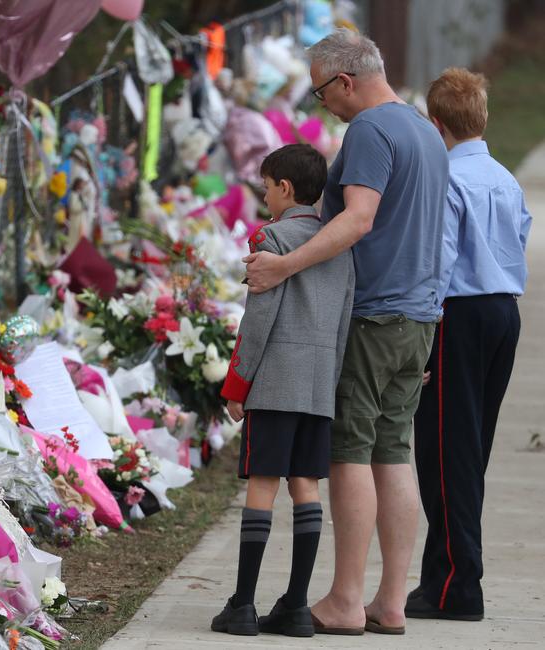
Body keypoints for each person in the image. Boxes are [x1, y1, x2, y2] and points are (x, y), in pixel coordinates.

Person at [243, 28, 449, 635]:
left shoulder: (369, 132)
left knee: (351, 453)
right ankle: (390, 600)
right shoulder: (423, 131)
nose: (322, 105)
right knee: (395, 452)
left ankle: (345, 599)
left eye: (320, 93)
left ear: (345, 81)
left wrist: (283, 265)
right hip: (417, 317)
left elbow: (358, 220)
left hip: (373, 313)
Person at [211, 143, 354, 637]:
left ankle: (243, 604)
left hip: (273, 384)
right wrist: (329, 384)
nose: (264, 196)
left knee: (263, 485)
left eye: (267, 187)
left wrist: (237, 384)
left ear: (285, 189)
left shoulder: (271, 238)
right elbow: (342, 325)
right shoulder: (339, 244)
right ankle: (295, 604)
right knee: (305, 487)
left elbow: (258, 320)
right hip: (317, 386)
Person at [406, 67, 531, 621]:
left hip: (455, 315)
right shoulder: (504, 177)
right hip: (504, 311)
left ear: (436, 126)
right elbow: (519, 236)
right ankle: (441, 574)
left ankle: (460, 586)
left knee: (443, 453)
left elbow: (438, 260)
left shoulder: (446, 180)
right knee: (469, 450)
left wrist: (421, 330)